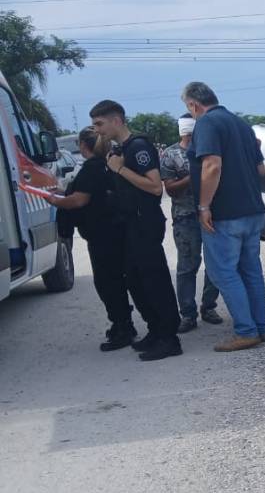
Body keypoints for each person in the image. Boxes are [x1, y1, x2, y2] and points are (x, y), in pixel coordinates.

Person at [89, 100, 182, 361]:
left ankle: (169, 338)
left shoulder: (139, 147)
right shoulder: (122, 148)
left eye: (100, 124)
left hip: (145, 222)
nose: (97, 130)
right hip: (130, 222)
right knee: (135, 280)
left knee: (154, 280)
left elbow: (154, 187)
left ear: (116, 120)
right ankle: (155, 329)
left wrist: (120, 169)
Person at [182, 81, 265, 352]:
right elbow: (261, 170)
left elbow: (212, 165)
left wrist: (204, 206)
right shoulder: (242, 125)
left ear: (193, 105)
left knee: (223, 272)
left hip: (225, 214)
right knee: (250, 270)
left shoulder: (207, 124)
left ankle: (246, 330)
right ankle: (260, 327)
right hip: (252, 210)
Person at [48, 127, 137, 350]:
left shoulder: (91, 168)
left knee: (108, 283)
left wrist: (54, 199)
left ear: (81, 145)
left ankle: (122, 327)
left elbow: (78, 200)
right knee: (115, 280)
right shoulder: (108, 164)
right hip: (115, 230)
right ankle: (123, 324)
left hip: (101, 234)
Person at [161, 114, 222, 333]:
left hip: (212, 215)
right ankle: (188, 314)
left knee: (214, 264)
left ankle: (209, 307)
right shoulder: (170, 154)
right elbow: (169, 188)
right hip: (185, 217)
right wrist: (193, 176)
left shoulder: (207, 151)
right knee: (187, 267)